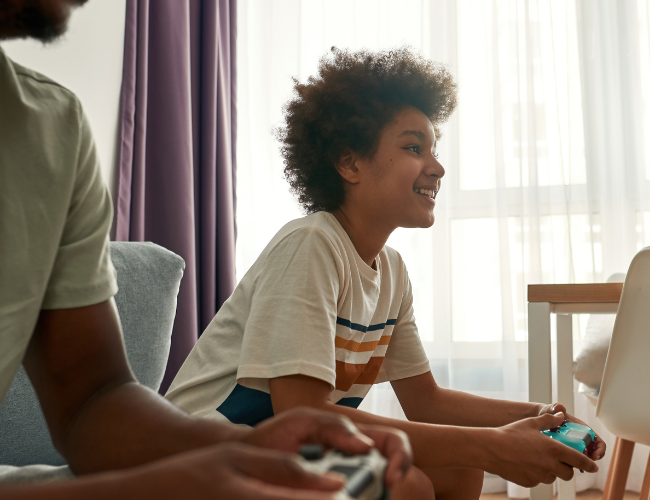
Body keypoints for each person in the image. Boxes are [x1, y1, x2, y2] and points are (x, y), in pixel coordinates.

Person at [0, 1, 414, 498]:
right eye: (414, 147)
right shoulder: (312, 244)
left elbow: (95, 399)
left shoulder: (48, 129)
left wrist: (231, 448)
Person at [165, 47, 607, 500]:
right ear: (350, 163)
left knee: (460, 471)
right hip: (199, 461)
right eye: (414, 148)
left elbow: (426, 401)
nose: (436, 167)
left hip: (274, 451)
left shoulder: (391, 271)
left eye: (433, 151)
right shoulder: (311, 244)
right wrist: (494, 445)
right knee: (406, 485)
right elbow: (301, 413)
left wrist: (539, 413)